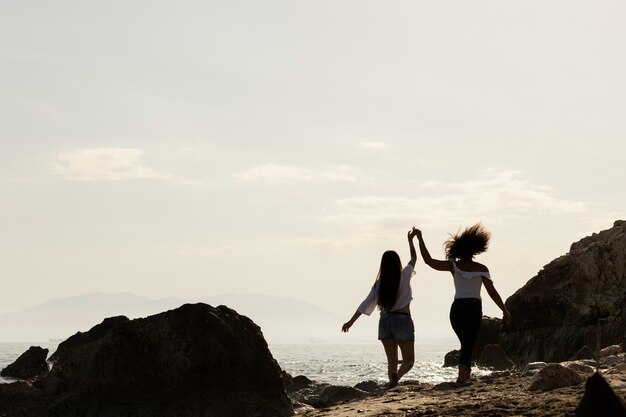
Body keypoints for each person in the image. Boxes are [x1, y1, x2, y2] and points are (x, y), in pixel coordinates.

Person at [414, 224, 511, 383]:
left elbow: (428, 261)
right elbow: (492, 292)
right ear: (475, 249)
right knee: (468, 343)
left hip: (457, 310)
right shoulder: (481, 268)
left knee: (466, 343)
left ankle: (464, 375)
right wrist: (505, 311)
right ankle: (462, 377)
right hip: (472, 309)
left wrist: (420, 238)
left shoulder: (454, 266)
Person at [342, 228, 419, 388]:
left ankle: (392, 381)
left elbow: (365, 303)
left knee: (391, 360)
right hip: (402, 320)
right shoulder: (405, 274)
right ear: (398, 262)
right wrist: (411, 240)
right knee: (408, 361)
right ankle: (397, 376)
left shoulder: (380, 284)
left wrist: (350, 322)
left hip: (384, 320)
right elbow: (413, 257)